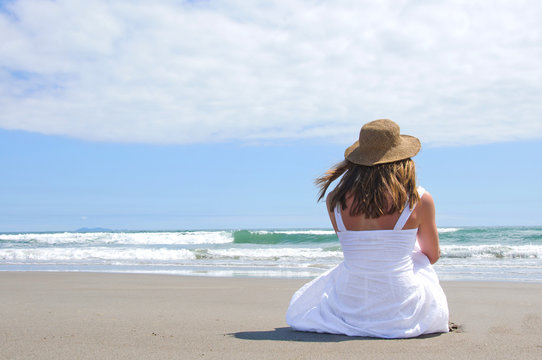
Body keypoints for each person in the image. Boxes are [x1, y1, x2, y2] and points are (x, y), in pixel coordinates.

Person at [286, 119, 449, 338]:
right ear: (402, 158)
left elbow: (359, 250)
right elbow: (432, 255)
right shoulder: (418, 199)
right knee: (419, 262)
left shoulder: (334, 200)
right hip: (402, 311)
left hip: (349, 308)